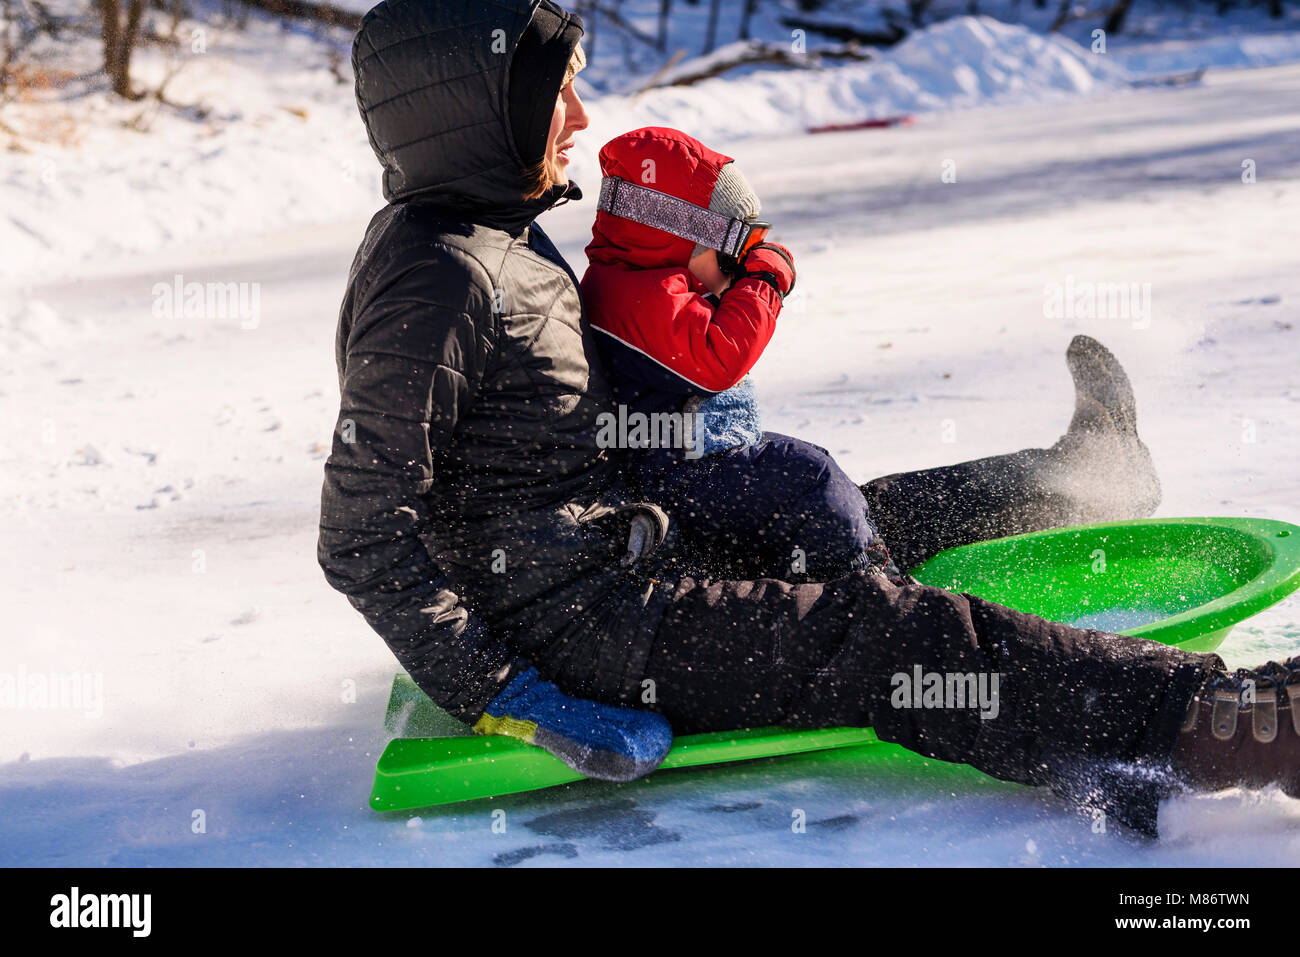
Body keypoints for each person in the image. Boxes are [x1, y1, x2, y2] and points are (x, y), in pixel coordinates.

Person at [319, 0, 1299, 835]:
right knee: (874, 631)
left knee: (838, 509)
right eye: (554, 92)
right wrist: (501, 689)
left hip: (610, 559)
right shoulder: (435, 277)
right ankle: (1219, 723)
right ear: (477, 111)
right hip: (592, 627)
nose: (577, 114)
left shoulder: (486, 230)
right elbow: (362, 534)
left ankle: (1074, 480)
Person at [582, 125, 899, 583]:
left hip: (689, 457)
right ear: (686, 236)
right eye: (734, 252)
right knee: (810, 477)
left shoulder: (636, 282)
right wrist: (764, 281)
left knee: (805, 466)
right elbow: (720, 360)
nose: (736, 270)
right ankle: (869, 589)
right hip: (676, 470)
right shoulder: (639, 294)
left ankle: (832, 569)